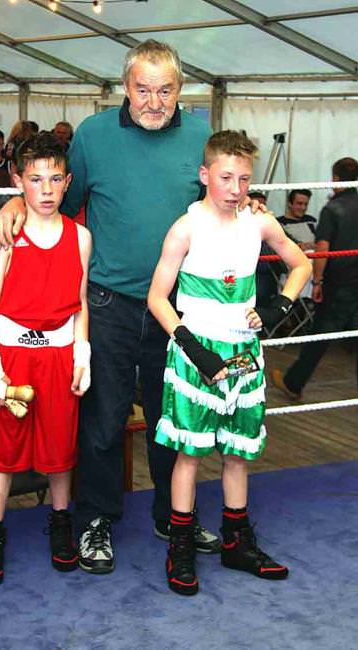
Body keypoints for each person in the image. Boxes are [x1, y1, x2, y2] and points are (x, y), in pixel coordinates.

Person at [0, 39, 265, 574]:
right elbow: (57, 202)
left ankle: (171, 515)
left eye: (165, 90)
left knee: (173, 419)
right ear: (126, 88)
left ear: (180, 90)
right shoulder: (93, 135)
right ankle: (95, 520)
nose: (154, 101)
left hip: (178, 311)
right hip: (109, 303)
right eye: (143, 89)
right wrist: (17, 202)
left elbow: (223, 192)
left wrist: (247, 199)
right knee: (102, 421)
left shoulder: (201, 139)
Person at [148, 130, 311, 596]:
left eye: (243, 178)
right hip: (195, 354)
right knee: (190, 453)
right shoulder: (185, 227)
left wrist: (278, 306)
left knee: (239, 452)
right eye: (225, 177)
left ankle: (236, 543)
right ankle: (180, 546)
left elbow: (299, 264)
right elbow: (157, 297)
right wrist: (191, 347)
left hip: (245, 354)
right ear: (205, 175)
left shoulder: (258, 223)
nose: (236, 188)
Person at [0, 133, 92, 588]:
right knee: (2, 452)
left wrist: (83, 353)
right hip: (12, 355)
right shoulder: (5, 232)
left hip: (60, 354)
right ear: (18, 180)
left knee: (60, 449)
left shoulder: (81, 237)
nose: (45, 189)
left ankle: (61, 524)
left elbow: (80, 302)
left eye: (55, 179)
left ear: (67, 183)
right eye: (36, 179)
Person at [272, 157, 358, 399]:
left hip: (338, 283)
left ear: (337, 179)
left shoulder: (333, 209)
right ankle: (293, 381)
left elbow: (323, 249)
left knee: (319, 336)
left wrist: (317, 281)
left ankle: (293, 382)